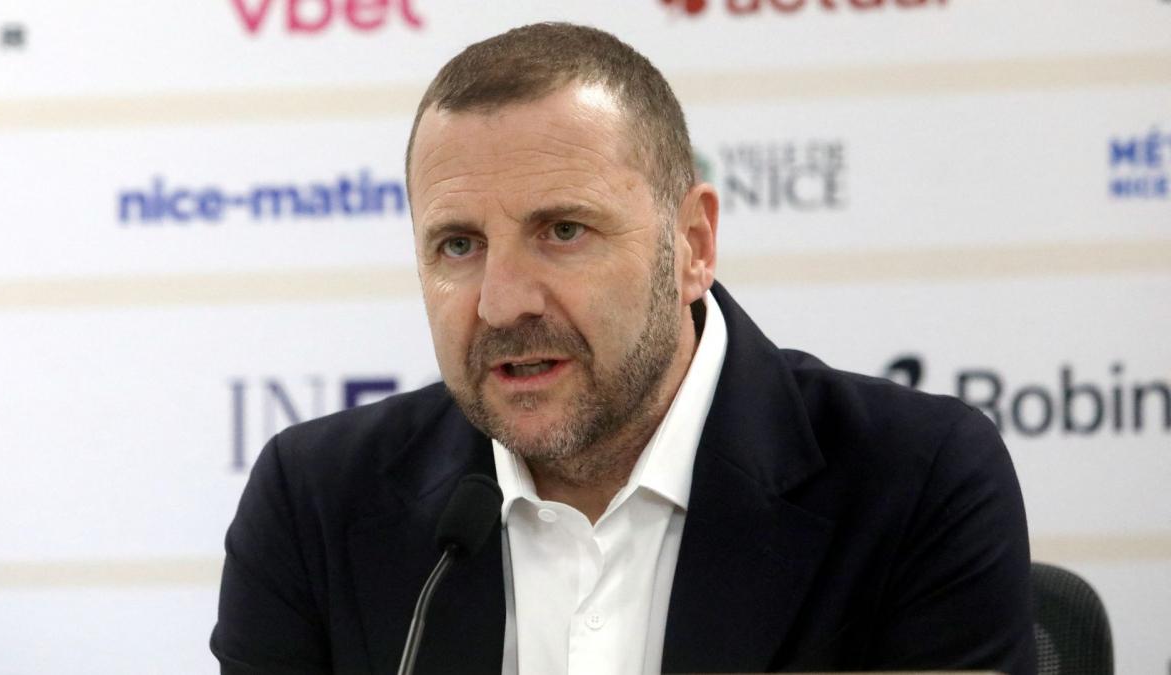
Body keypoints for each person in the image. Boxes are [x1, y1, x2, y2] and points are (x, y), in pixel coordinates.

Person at [211, 22, 1035, 675]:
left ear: (693, 245)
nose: (502, 301)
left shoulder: (914, 480)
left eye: (563, 231)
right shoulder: (315, 503)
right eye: (459, 245)